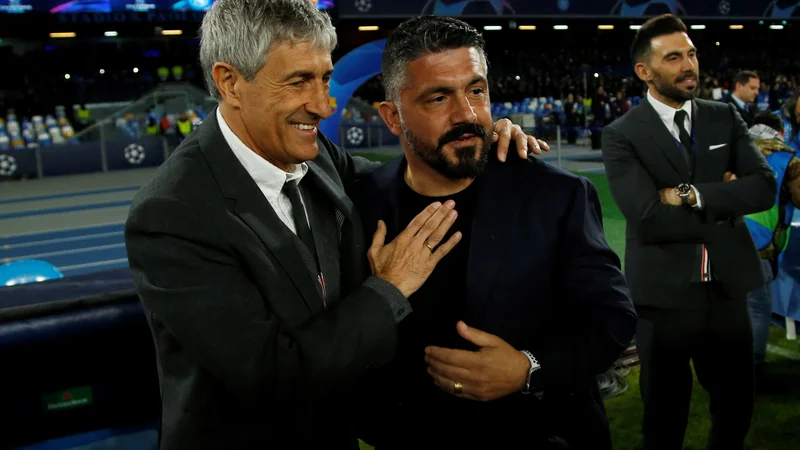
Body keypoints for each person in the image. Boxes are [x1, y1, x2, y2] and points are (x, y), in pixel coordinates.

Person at [123, 1, 545, 449]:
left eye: (324, 78)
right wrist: (389, 289)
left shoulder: (311, 151)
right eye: (299, 81)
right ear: (230, 83)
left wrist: (472, 135)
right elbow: (271, 376)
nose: (324, 106)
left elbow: (394, 179)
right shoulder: (172, 214)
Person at [351, 16, 637, 449]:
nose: (467, 114)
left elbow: (613, 319)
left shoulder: (557, 195)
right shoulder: (362, 202)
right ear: (392, 117)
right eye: (438, 97)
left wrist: (529, 368)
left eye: (477, 90)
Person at [601, 14, 776, 450]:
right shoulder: (621, 134)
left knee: (736, 412)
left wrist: (689, 194)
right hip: (663, 301)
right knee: (664, 421)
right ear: (645, 71)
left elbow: (764, 188)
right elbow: (647, 217)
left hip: (729, 291)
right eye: (674, 57)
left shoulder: (724, 116)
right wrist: (724, 199)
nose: (689, 65)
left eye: (692, 53)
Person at [743, 112, 800, 384]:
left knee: (731, 307)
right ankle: (751, 370)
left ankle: (727, 364)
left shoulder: (735, 152)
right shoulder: (788, 161)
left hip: (722, 240)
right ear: (780, 131)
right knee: (757, 308)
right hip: (758, 245)